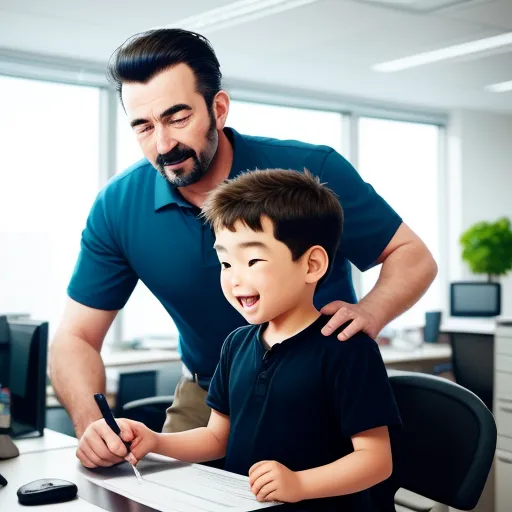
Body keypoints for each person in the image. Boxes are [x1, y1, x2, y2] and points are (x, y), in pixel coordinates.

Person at [49, 28, 436, 468]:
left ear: (218, 109)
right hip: (208, 395)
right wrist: (93, 428)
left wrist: (370, 312)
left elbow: (412, 254)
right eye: (143, 126)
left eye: (177, 118)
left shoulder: (312, 172)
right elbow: (75, 338)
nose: (162, 145)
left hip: (315, 386)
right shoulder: (117, 207)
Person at [79, 169, 402, 511]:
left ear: (312, 265)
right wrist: (155, 440)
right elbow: (217, 437)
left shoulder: (346, 348)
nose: (235, 278)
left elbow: (376, 461)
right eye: (225, 263)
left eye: (252, 260)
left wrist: (299, 483)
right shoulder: (236, 344)